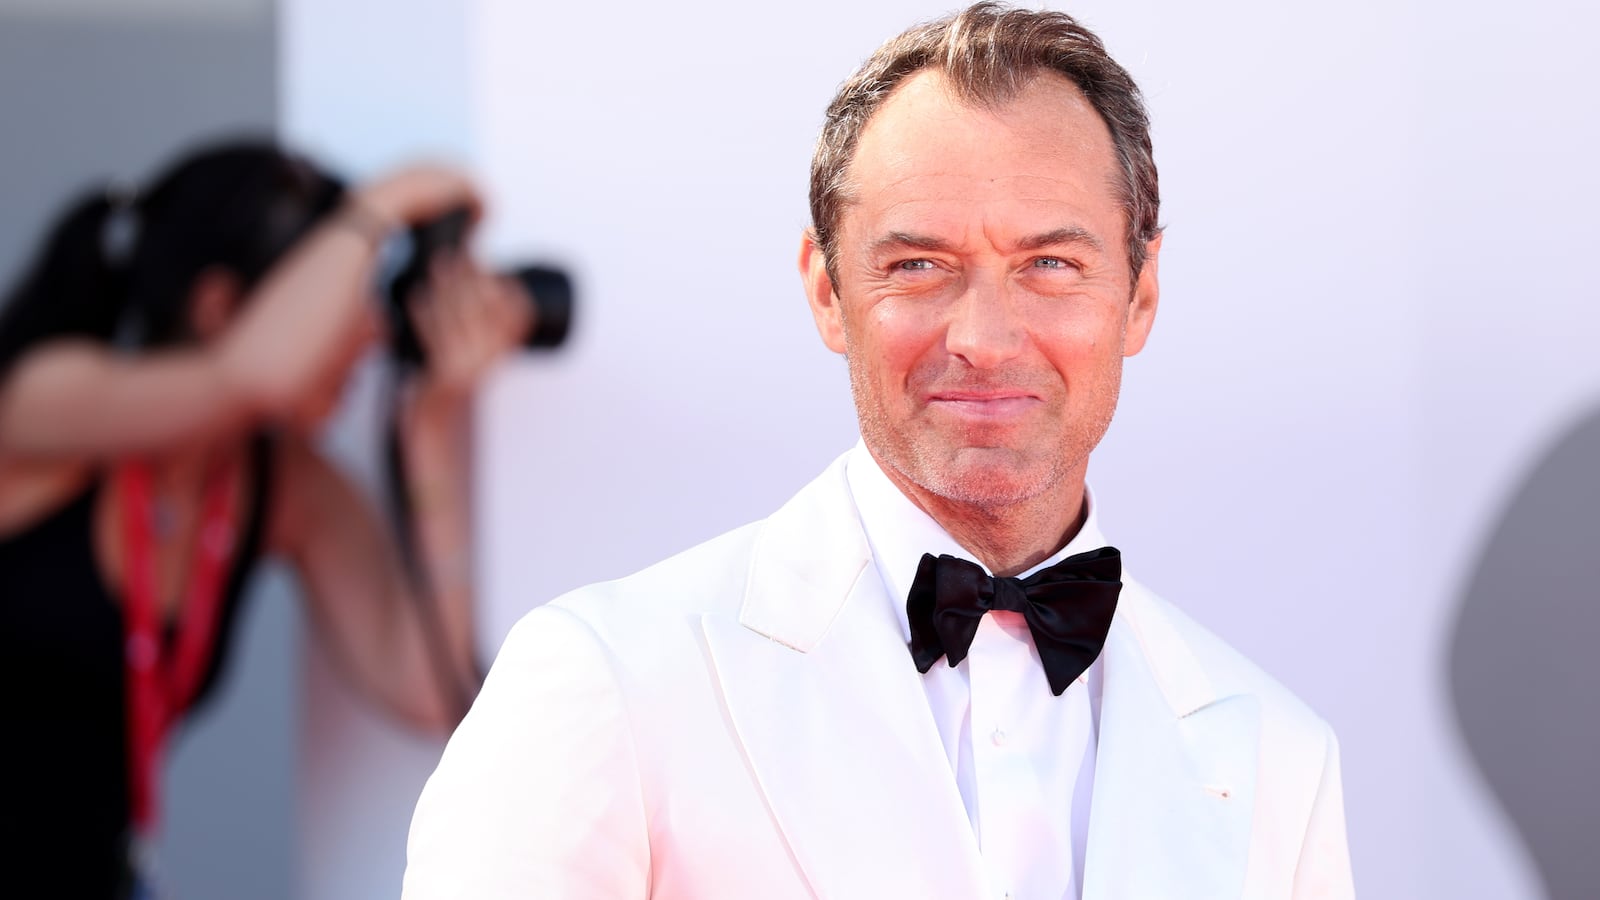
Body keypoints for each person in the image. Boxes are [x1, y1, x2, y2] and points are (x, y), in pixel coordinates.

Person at [403, 4, 1354, 898]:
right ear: (827, 291)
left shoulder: (1278, 761)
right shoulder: (608, 678)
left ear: (1140, 294)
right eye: (919, 265)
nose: (985, 334)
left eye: (1050, 265)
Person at [0, 140, 529, 898]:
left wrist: (430, 429)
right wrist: (386, 203)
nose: (369, 336)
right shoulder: (46, 402)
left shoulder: (279, 483)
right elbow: (251, 375)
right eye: (343, 304)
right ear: (218, 306)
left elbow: (427, 686)